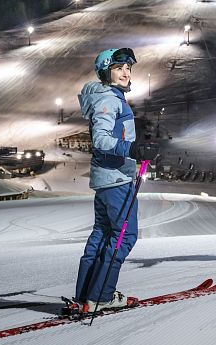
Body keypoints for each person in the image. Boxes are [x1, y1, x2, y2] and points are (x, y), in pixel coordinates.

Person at [74, 47, 145, 312]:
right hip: (117, 180)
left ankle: (86, 296)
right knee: (124, 237)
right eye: (119, 68)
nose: (126, 73)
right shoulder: (109, 100)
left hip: (107, 179)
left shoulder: (108, 97)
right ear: (106, 72)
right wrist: (132, 149)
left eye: (128, 68)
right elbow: (101, 139)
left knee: (102, 235)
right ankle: (102, 296)